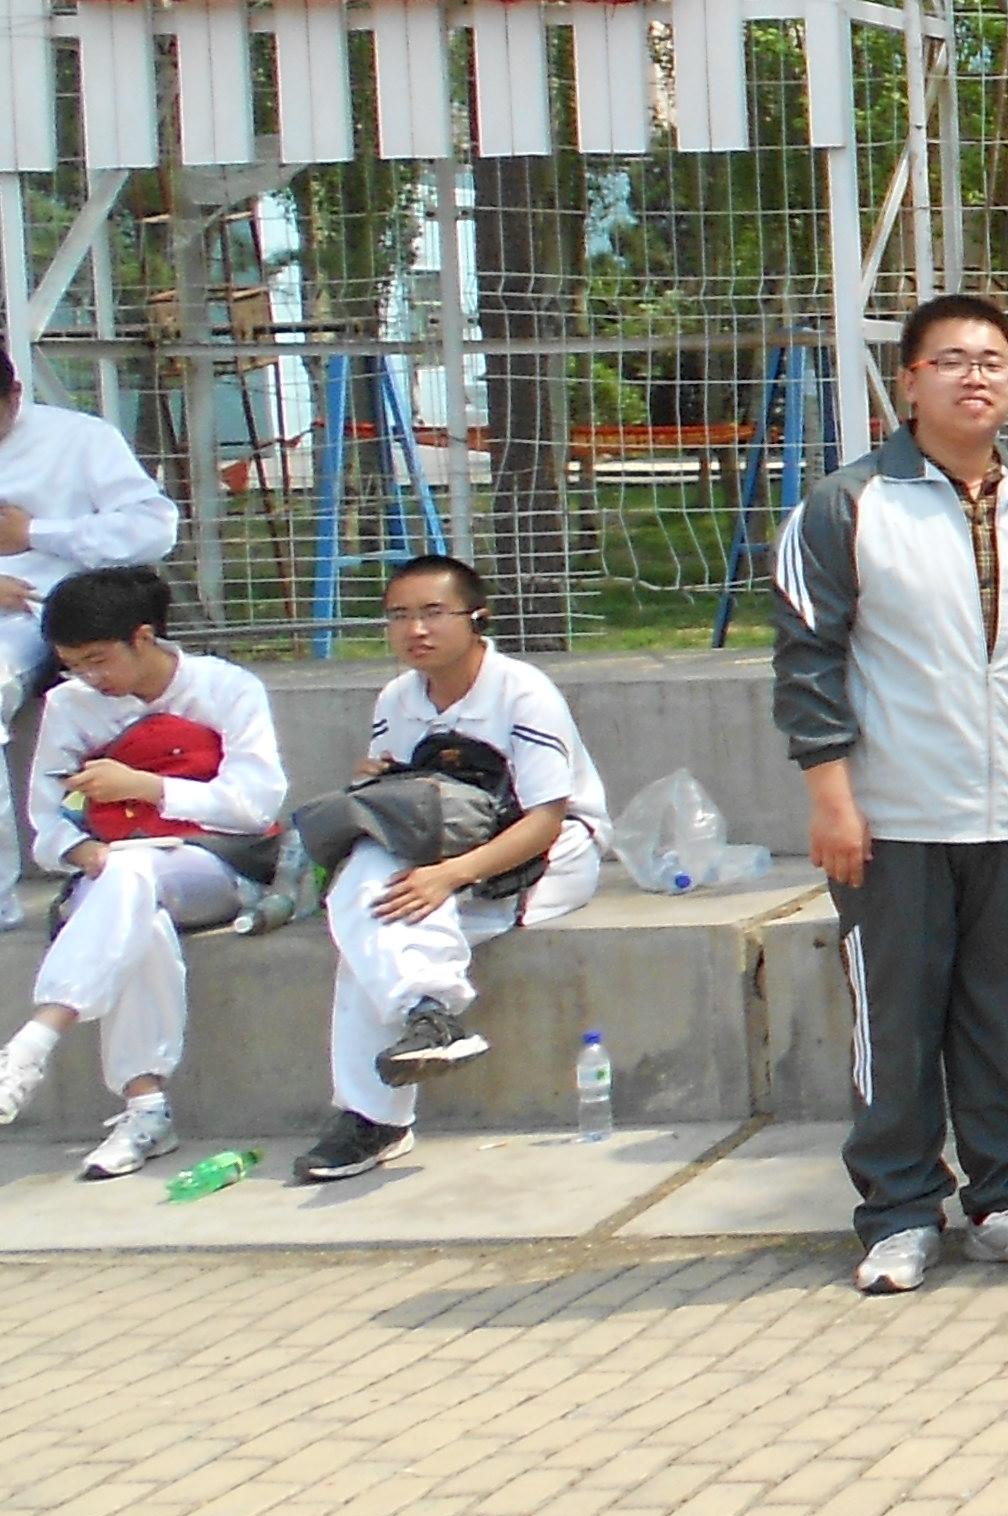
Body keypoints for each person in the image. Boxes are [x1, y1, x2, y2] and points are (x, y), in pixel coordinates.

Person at [773, 291, 1008, 1294]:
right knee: (898, 1025)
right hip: (894, 814)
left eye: (992, 360)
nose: (974, 376)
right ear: (907, 383)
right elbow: (808, 662)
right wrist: (832, 797)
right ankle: (900, 1209)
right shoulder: (847, 506)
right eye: (950, 360)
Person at [299, 555, 609, 1186]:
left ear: (476, 619)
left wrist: (449, 876)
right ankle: (428, 1016)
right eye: (399, 616)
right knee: (367, 884)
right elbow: (401, 808)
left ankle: (377, 1115)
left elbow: (546, 821)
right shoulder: (396, 699)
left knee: (371, 938)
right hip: (445, 845)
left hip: (546, 853)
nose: (416, 630)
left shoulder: (522, 691)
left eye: (434, 613)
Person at [0, 563, 282, 1176]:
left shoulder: (226, 688)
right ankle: (146, 1109)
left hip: (216, 867)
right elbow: (46, 824)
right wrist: (82, 853)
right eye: (73, 665)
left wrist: (148, 788)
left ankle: (34, 1041)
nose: (89, 678)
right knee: (138, 908)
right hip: (112, 874)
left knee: (132, 879)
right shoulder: (70, 705)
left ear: (144, 637)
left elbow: (256, 805)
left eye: (99, 660)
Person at [0, 337, 179, 735]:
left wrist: (35, 533)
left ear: (15, 395)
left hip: (36, 617)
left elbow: (153, 528)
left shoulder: (80, 439)